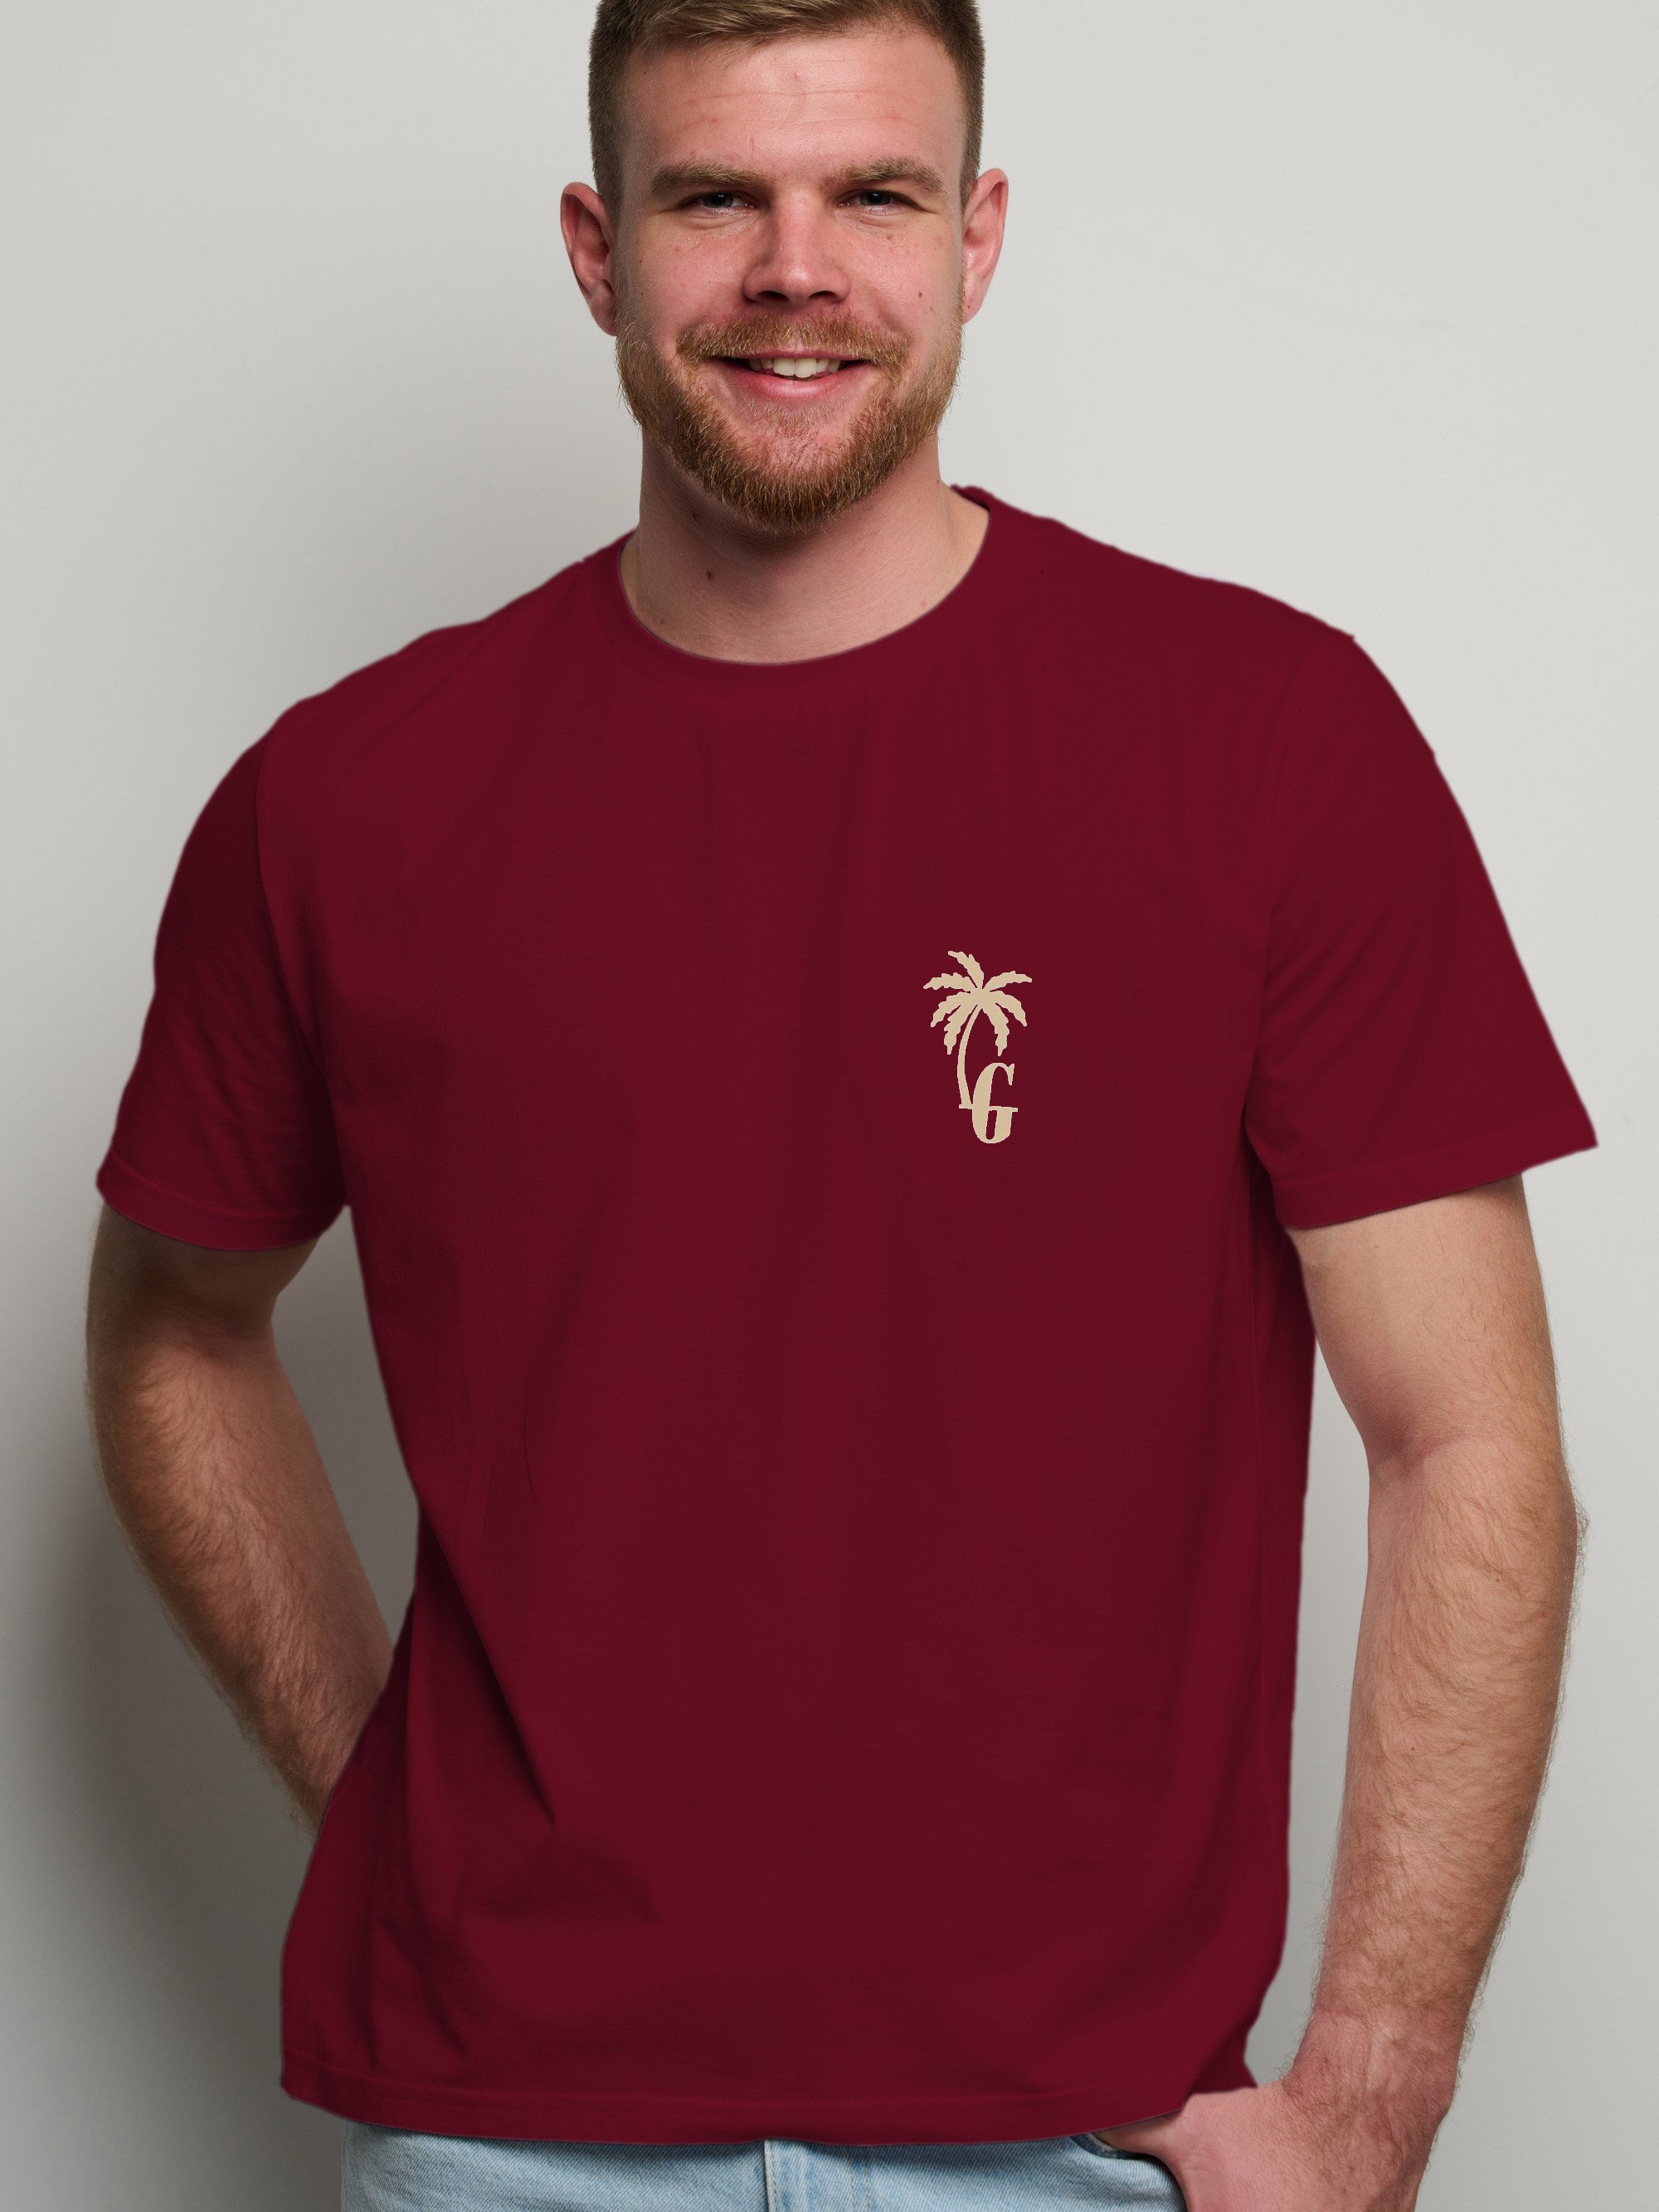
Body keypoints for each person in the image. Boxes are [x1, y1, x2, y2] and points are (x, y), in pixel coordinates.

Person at [85, 2, 1597, 2207]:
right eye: (717, 196)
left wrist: (1371, 2089)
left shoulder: (1263, 743)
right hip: (507, 2144)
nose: (797, 268)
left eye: (872, 193)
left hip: (1074, 2145)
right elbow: (173, 1328)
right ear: (599, 249)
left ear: (976, 237)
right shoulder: (345, 805)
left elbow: (1470, 1442)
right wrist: (387, 1798)